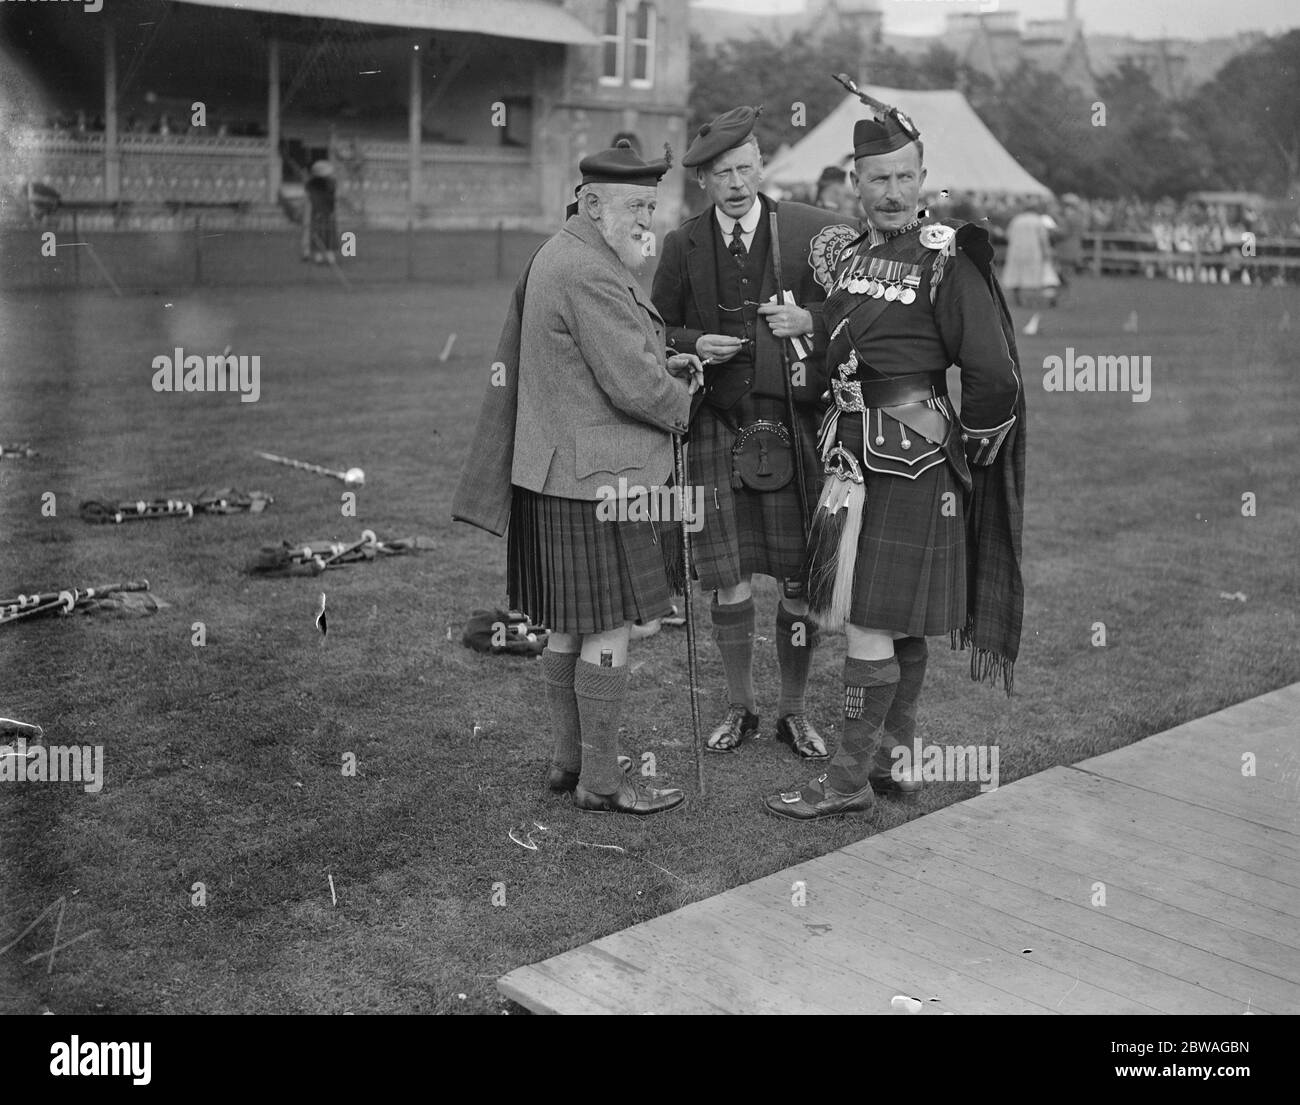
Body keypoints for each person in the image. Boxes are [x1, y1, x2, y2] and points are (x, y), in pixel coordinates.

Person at [765, 101, 1025, 821]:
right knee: (898, 625)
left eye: (905, 177)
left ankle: (845, 781)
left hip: (911, 465)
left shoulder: (949, 256)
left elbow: (993, 373)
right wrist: (809, 326)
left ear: (923, 178)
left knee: (872, 624)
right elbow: (849, 324)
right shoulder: (850, 253)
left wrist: (968, 443)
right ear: (857, 180)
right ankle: (891, 763)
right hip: (848, 453)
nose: (892, 191)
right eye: (878, 178)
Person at [452, 141, 703, 817]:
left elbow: (604, 364)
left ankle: (569, 762)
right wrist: (687, 403)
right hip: (601, 478)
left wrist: (662, 366)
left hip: (558, 473)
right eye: (634, 205)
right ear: (593, 203)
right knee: (610, 630)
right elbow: (631, 384)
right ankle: (601, 779)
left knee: (566, 626)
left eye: (652, 204)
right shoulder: (589, 269)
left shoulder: (558, 253)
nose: (646, 217)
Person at [652, 106, 858, 761]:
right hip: (718, 424)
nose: (736, 183)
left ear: (760, 165)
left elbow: (856, 310)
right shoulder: (682, 244)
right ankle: (740, 708)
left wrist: (810, 319)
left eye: (745, 168)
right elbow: (654, 329)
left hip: (794, 426)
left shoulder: (808, 231)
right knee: (729, 579)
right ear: (704, 181)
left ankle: (793, 712)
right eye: (721, 173)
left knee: (800, 581)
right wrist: (690, 341)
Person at [1001, 202, 1054, 306]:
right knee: (1033, 277)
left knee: (1016, 276)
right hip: (1033, 252)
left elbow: (1008, 235)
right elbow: (1043, 239)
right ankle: (1031, 301)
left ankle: (1018, 299)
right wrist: (1047, 252)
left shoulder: (1017, 220)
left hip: (1016, 251)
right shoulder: (1038, 221)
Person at [304, 160, 338, 264]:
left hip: (327, 212)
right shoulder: (312, 185)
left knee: (328, 233)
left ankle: (328, 254)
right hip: (318, 212)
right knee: (319, 233)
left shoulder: (329, 185)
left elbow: (332, 191)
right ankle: (319, 255)